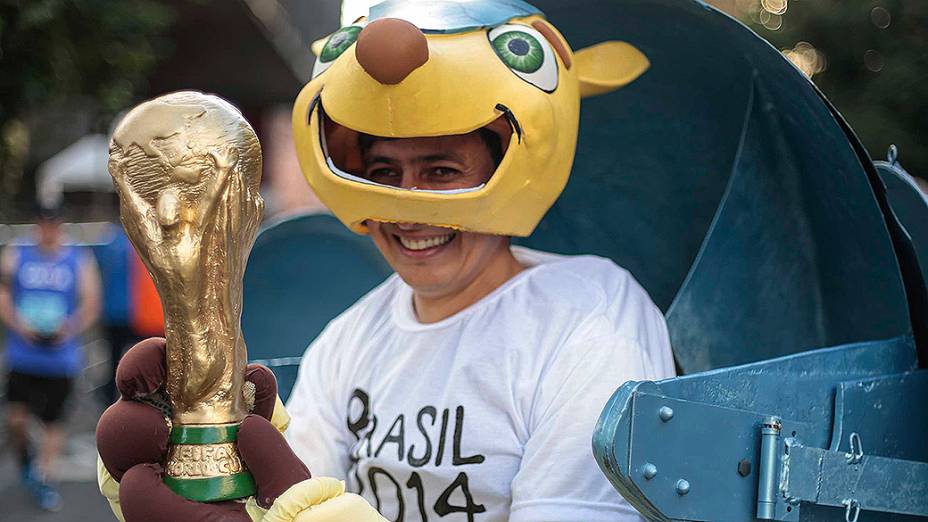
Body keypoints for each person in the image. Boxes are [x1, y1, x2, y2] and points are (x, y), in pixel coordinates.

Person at [97, 1, 672, 520]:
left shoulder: (591, 314)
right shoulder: (352, 335)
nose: (408, 209)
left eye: (442, 172)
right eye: (384, 175)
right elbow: (288, 488)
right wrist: (199, 460)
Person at [0, 205, 102, 511]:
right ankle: (24, 457)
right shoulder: (17, 253)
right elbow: (3, 293)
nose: (48, 231)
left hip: (60, 356)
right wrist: (19, 324)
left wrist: (71, 327)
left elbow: (91, 300)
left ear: (61, 226)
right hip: (23, 353)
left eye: (54, 226)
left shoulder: (77, 258)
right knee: (15, 418)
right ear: (37, 226)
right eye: (43, 225)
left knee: (53, 423)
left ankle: (44, 477)